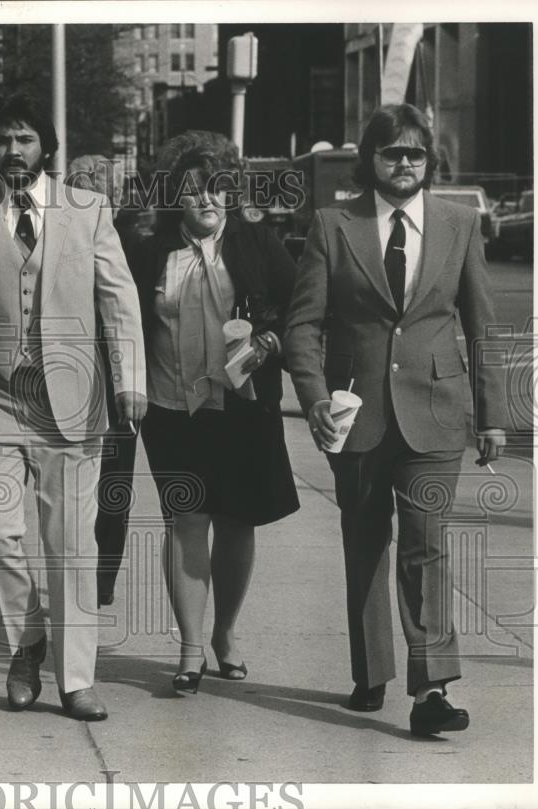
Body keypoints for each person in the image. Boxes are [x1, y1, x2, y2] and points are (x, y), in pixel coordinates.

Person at [284, 104, 507, 736]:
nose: (403, 163)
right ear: (371, 159)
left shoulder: (461, 224)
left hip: (436, 413)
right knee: (365, 544)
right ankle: (371, 670)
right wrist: (315, 399)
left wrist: (492, 415)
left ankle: (431, 686)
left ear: (428, 161)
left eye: (414, 154)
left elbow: (482, 325)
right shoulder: (334, 226)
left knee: (427, 545)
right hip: (356, 415)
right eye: (391, 153)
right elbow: (303, 325)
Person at [0, 94, 146, 721]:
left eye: (25, 139)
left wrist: (130, 378)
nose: (13, 151)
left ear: (45, 147)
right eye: (3, 140)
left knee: (69, 545)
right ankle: (25, 644)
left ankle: (77, 679)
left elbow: (119, 297)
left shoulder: (87, 208)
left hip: (71, 401)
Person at [132, 131, 300, 694]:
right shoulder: (151, 249)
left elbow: (298, 307)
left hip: (243, 406)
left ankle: (225, 632)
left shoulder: (256, 242)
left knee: (236, 520)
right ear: (173, 196)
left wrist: (273, 341)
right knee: (186, 521)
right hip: (171, 407)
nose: (206, 201)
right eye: (192, 191)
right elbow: (124, 316)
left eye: (217, 190)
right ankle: (189, 646)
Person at [66, 154, 137, 607]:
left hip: (112, 374)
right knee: (99, 483)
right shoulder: (77, 231)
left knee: (105, 482)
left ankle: (99, 576)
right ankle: (92, 573)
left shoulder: (129, 234)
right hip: (88, 370)